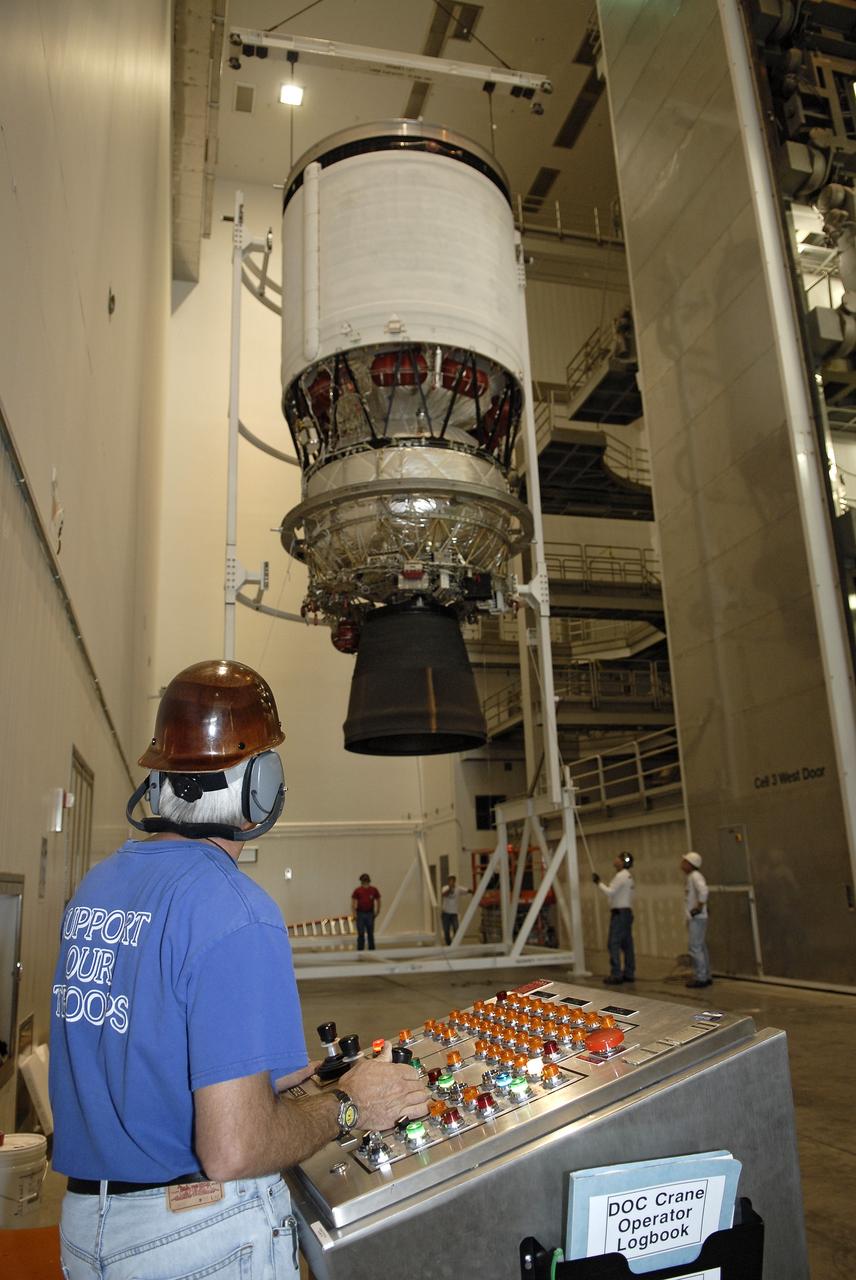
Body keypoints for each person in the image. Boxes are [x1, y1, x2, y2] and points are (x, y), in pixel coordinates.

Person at [49, 659, 428, 1280]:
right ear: (260, 784)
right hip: (195, 1238)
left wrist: (273, 1082)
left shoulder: (98, 886)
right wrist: (351, 1104)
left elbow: (148, 1059)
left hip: (89, 1231)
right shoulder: (237, 909)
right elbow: (233, 1149)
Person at [592, 851, 635, 985]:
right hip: (626, 913)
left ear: (622, 862)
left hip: (619, 914)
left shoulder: (621, 876)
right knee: (627, 944)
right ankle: (629, 972)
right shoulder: (628, 876)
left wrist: (598, 882)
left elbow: (610, 892)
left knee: (613, 944)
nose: (615, 859)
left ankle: (616, 974)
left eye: (618, 858)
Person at [681, 851, 711, 988]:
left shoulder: (695, 876)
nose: (682, 864)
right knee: (700, 947)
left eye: (685, 861)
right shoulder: (692, 876)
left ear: (690, 864)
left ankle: (701, 978)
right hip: (697, 917)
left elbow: (704, 891)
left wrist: (698, 907)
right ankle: (706, 975)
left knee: (695, 947)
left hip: (697, 918)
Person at [351, 873, 381, 951]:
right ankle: (360, 950)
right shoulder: (357, 890)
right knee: (361, 933)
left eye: (366, 880)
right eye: (363, 880)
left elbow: (378, 899)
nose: (365, 882)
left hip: (370, 913)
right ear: (361, 881)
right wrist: (354, 913)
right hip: (360, 914)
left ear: (368, 880)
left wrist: (378, 910)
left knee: (370, 933)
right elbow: (353, 902)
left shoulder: (373, 890)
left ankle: (372, 950)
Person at [440, 874, 472, 945]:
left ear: (455, 881)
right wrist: (450, 888)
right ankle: (449, 944)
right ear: (448, 881)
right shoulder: (445, 888)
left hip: (454, 913)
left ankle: (455, 943)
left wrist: (474, 891)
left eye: (453, 880)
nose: (452, 881)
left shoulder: (458, 888)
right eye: (450, 880)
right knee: (446, 930)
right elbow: (444, 894)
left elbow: (467, 890)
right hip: (446, 913)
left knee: (456, 928)